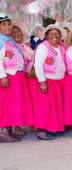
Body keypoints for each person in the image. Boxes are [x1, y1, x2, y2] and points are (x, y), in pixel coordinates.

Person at [0, 14, 33, 143]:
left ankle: (11, 128)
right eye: (4, 24)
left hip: (17, 75)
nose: (8, 27)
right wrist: (3, 76)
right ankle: (3, 131)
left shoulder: (9, 40)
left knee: (14, 104)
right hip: (8, 75)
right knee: (5, 104)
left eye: (9, 24)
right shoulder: (1, 41)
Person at [32, 24, 67, 140]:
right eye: (51, 33)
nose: (55, 35)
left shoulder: (62, 47)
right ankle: (42, 132)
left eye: (57, 33)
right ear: (46, 36)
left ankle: (54, 127)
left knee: (55, 107)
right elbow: (38, 65)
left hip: (59, 81)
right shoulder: (43, 47)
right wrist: (42, 82)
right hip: (47, 81)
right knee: (45, 107)